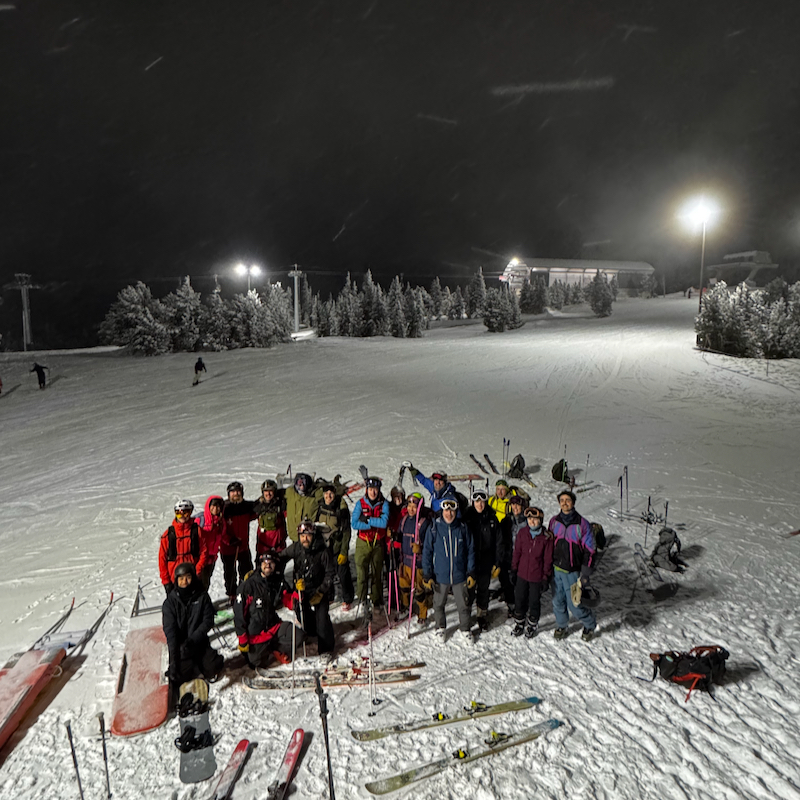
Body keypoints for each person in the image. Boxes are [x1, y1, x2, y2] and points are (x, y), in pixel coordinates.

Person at [162, 562, 224, 693]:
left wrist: (193, 640)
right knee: (178, 675)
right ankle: (192, 665)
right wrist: (173, 660)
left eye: (188, 577)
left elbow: (207, 621)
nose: (185, 581)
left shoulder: (202, 596)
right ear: (176, 580)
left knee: (213, 668)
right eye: (181, 578)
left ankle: (204, 662)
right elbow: (170, 632)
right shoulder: (169, 603)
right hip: (181, 647)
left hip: (198, 642)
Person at [422, 498, 476, 643]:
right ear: (442, 511)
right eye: (446, 510)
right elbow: (427, 551)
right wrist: (427, 574)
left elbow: (471, 550)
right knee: (438, 604)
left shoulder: (462, 527)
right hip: (441, 575)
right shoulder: (435, 528)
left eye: (452, 511)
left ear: (456, 511)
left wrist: (471, 571)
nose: (449, 514)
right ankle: (440, 627)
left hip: (460, 575)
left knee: (463, 604)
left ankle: (465, 628)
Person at [234, 550, 299, 667]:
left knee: (298, 636)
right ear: (260, 564)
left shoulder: (277, 581)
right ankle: (263, 650)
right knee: (256, 664)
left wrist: (296, 596)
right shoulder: (249, 585)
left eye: (271, 562)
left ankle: (275, 649)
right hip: (256, 633)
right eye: (265, 562)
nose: (267, 565)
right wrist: (242, 638)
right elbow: (239, 615)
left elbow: (288, 600)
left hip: (274, 626)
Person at [549, 488, 597, 641]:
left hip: (573, 572)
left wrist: (586, 572)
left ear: (573, 503)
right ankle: (562, 625)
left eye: (567, 500)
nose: (565, 503)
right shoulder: (554, 521)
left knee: (575, 605)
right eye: (562, 500)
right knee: (558, 601)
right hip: (556, 569)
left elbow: (590, 549)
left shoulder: (582, 524)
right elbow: (549, 544)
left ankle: (589, 624)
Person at [281, 520, 336, 654]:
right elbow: (280, 557)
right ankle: (312, 631)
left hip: (320, 590)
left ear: (313, 535)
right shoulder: (296, 548)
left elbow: (330, 574)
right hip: (303, 590)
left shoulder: (323, 551)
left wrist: (321, 591)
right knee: (302, 616)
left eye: (308, 535)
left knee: (322, 622)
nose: (305, 539)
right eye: (302, 535)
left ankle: (326, 648)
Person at [510, 506, 554, 638]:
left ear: (540, 520)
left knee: (534, 601)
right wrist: (513, 569)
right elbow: (517, 552)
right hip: (522, 574)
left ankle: (532, 624)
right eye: (529, 519)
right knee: (519, 599)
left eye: (535, 519)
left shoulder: (546, 537)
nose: (532, 522)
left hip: (536, 576)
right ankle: (519, 623)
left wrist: (545, 577)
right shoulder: (523, 533)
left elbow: (548, 559)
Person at [464, 489, 503, 631]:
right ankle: (466, 616)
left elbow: (499, 542)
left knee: (483, 590)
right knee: (468, 590)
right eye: (477, 501)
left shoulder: (492, 518)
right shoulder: (467, 518)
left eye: (482, 501)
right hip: (470, 561)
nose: (479, 504)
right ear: (473, 502)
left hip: (486, 560)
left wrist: (497, 562)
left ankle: (482, 615)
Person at [351, 476, 390, 615]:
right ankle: (362, 600)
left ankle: (377, 600)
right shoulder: (360, 504)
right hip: (363, 542)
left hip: (377, 543)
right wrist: (374, 522)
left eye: (376, 489)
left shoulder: (384, 504)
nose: (373, 492)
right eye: (371, 489)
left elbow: (384, 523)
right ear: (367, 489)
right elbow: (354, 523)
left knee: (376, 573)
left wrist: (367, 519)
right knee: (362, 574)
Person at [315, 484, 354, 609]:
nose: (328, 496)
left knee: (343, 574)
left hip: (337, 546)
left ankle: (348, 598)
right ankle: (329, 596)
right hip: (324, 547)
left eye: (331, 494)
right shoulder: (320, 506)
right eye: (326, 494)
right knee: (327, 573)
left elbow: (346, 531)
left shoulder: (340, 509)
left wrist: (344, 551)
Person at [159, 500, 208, 595]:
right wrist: (166, 581)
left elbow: (204, 552)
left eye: (185, 513)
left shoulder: (197, 531)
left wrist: (197, 570)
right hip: (174, 578)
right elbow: (162, 559)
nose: (182, 516)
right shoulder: (168, 534)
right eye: (178, 513)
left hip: (192, 576)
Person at [397, 492, 432, 624]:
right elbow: (401, 536)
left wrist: (420, 547)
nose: (411, 509)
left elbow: (430, 543)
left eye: (414, 506)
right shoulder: (404, 520)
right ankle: (406, 607)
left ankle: (423, 613)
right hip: (405, 560)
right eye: (409, 506)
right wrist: (394, 536)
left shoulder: (423, 523)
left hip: (417, 563)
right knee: (404, 586)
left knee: (418, 590)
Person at [220, 481, 257, 602]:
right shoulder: (224, 508)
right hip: (229, 547)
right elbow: (220, 529)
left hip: (243, 546)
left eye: (238, 491)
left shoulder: (246, 506)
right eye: (233, 492)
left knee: (246, 569)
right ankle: (232, 593)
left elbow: (256, 511)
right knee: (230, 572)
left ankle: (247, 589)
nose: (235, 494)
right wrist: (229, 540)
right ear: (228, 493)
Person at [498, 494, 528, 616]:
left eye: (518, 504)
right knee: (507, 582)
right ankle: (511, 605)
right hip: (508, 556)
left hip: (522, 558)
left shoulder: (527, 522)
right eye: (513, 504)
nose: (515, 507)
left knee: (521, 584)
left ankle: (522, 607)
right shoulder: (506, 521)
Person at [194, 496, 225, 589]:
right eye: (213, 506)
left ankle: (202, 602)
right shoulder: (200, 520)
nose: (215, 509)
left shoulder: (220, 521)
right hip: (200, 557)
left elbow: (223, 536)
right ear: (208, 506)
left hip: (212, 558)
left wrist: (231, 541)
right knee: (198, 581)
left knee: (206, 581)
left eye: (218, 506)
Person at [253, 479, 287, 556]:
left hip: (279, 546)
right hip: (263, 547)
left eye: (270, 491)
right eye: (266, 491)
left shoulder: (281, 505)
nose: (268, 493)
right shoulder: (258, 506)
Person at [285, 473, 319, 543]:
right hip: (294, 536)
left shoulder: (315, 495)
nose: (301, 486)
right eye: (299, 483)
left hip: (309, 536)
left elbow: (328, 494)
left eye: (304, 483)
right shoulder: (290, 492)